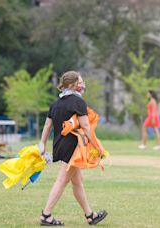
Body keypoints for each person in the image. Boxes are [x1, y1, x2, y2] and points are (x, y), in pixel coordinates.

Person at [39, 71, 107, 226]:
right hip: (72, 148)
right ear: (73, 84)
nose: (83, 85)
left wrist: (42, 144)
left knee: (77, 181)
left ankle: (90, 215)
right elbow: (86, 127)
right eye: (81, 82)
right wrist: (98, 146)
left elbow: (47, 126)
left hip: (59, 146)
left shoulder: (56, 103)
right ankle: (46, 215)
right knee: (62, 180)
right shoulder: (78, 102)